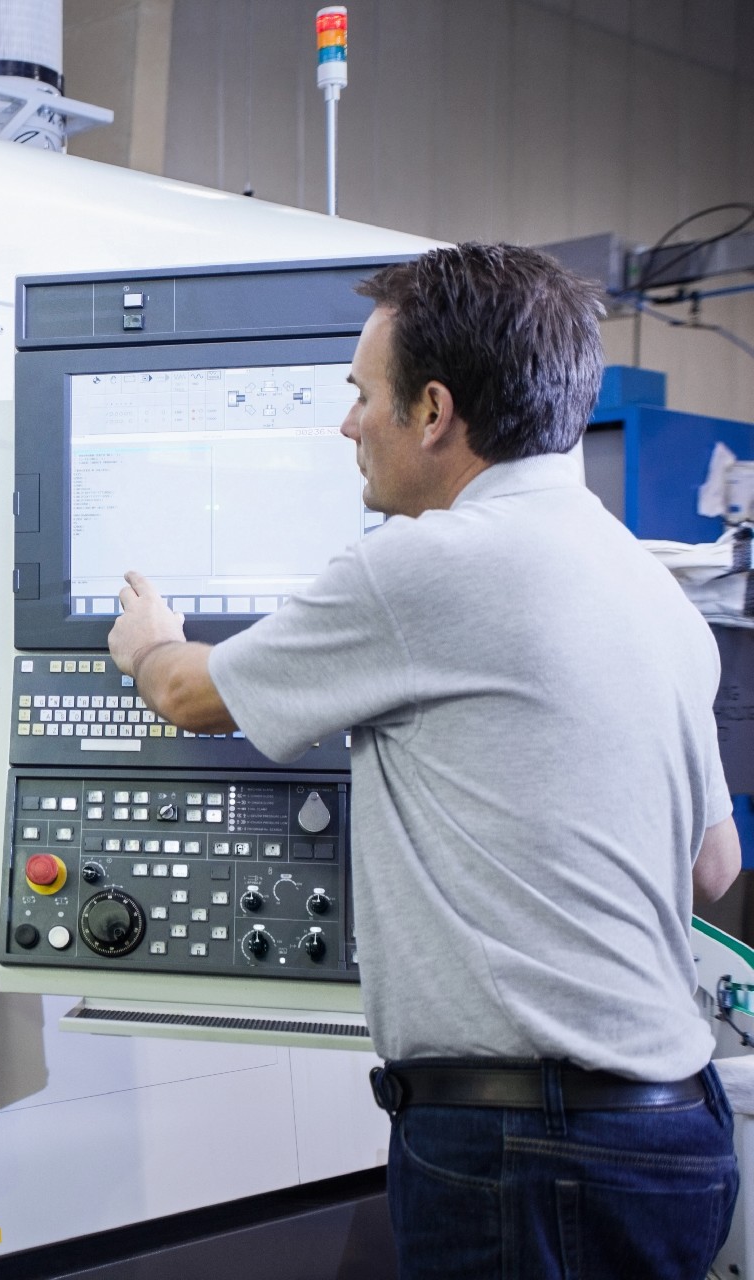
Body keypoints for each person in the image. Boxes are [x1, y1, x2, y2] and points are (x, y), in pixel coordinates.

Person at [105, 243, 743, 1280]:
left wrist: (149, 640)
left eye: (363, 396)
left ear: (434, 411)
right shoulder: (646, 583)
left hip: (524, 1151)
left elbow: (189, 693)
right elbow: (714, 865)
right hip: (677, 1134)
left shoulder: (426, 563)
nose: (349, 424)